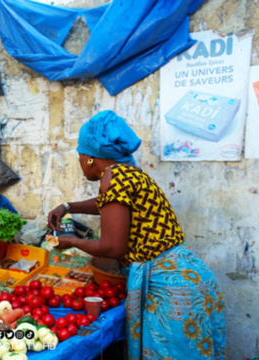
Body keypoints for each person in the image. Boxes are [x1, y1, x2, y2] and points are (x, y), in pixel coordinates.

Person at [47, 110, 226, 360]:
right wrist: (68, 206)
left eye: (79, 155)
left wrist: (70, 242)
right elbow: (109, 204)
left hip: (172, 292)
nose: (79, 161)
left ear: (90, 157)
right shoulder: (127, 173)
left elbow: (112, 248)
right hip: (189, 279)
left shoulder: (114, 177)